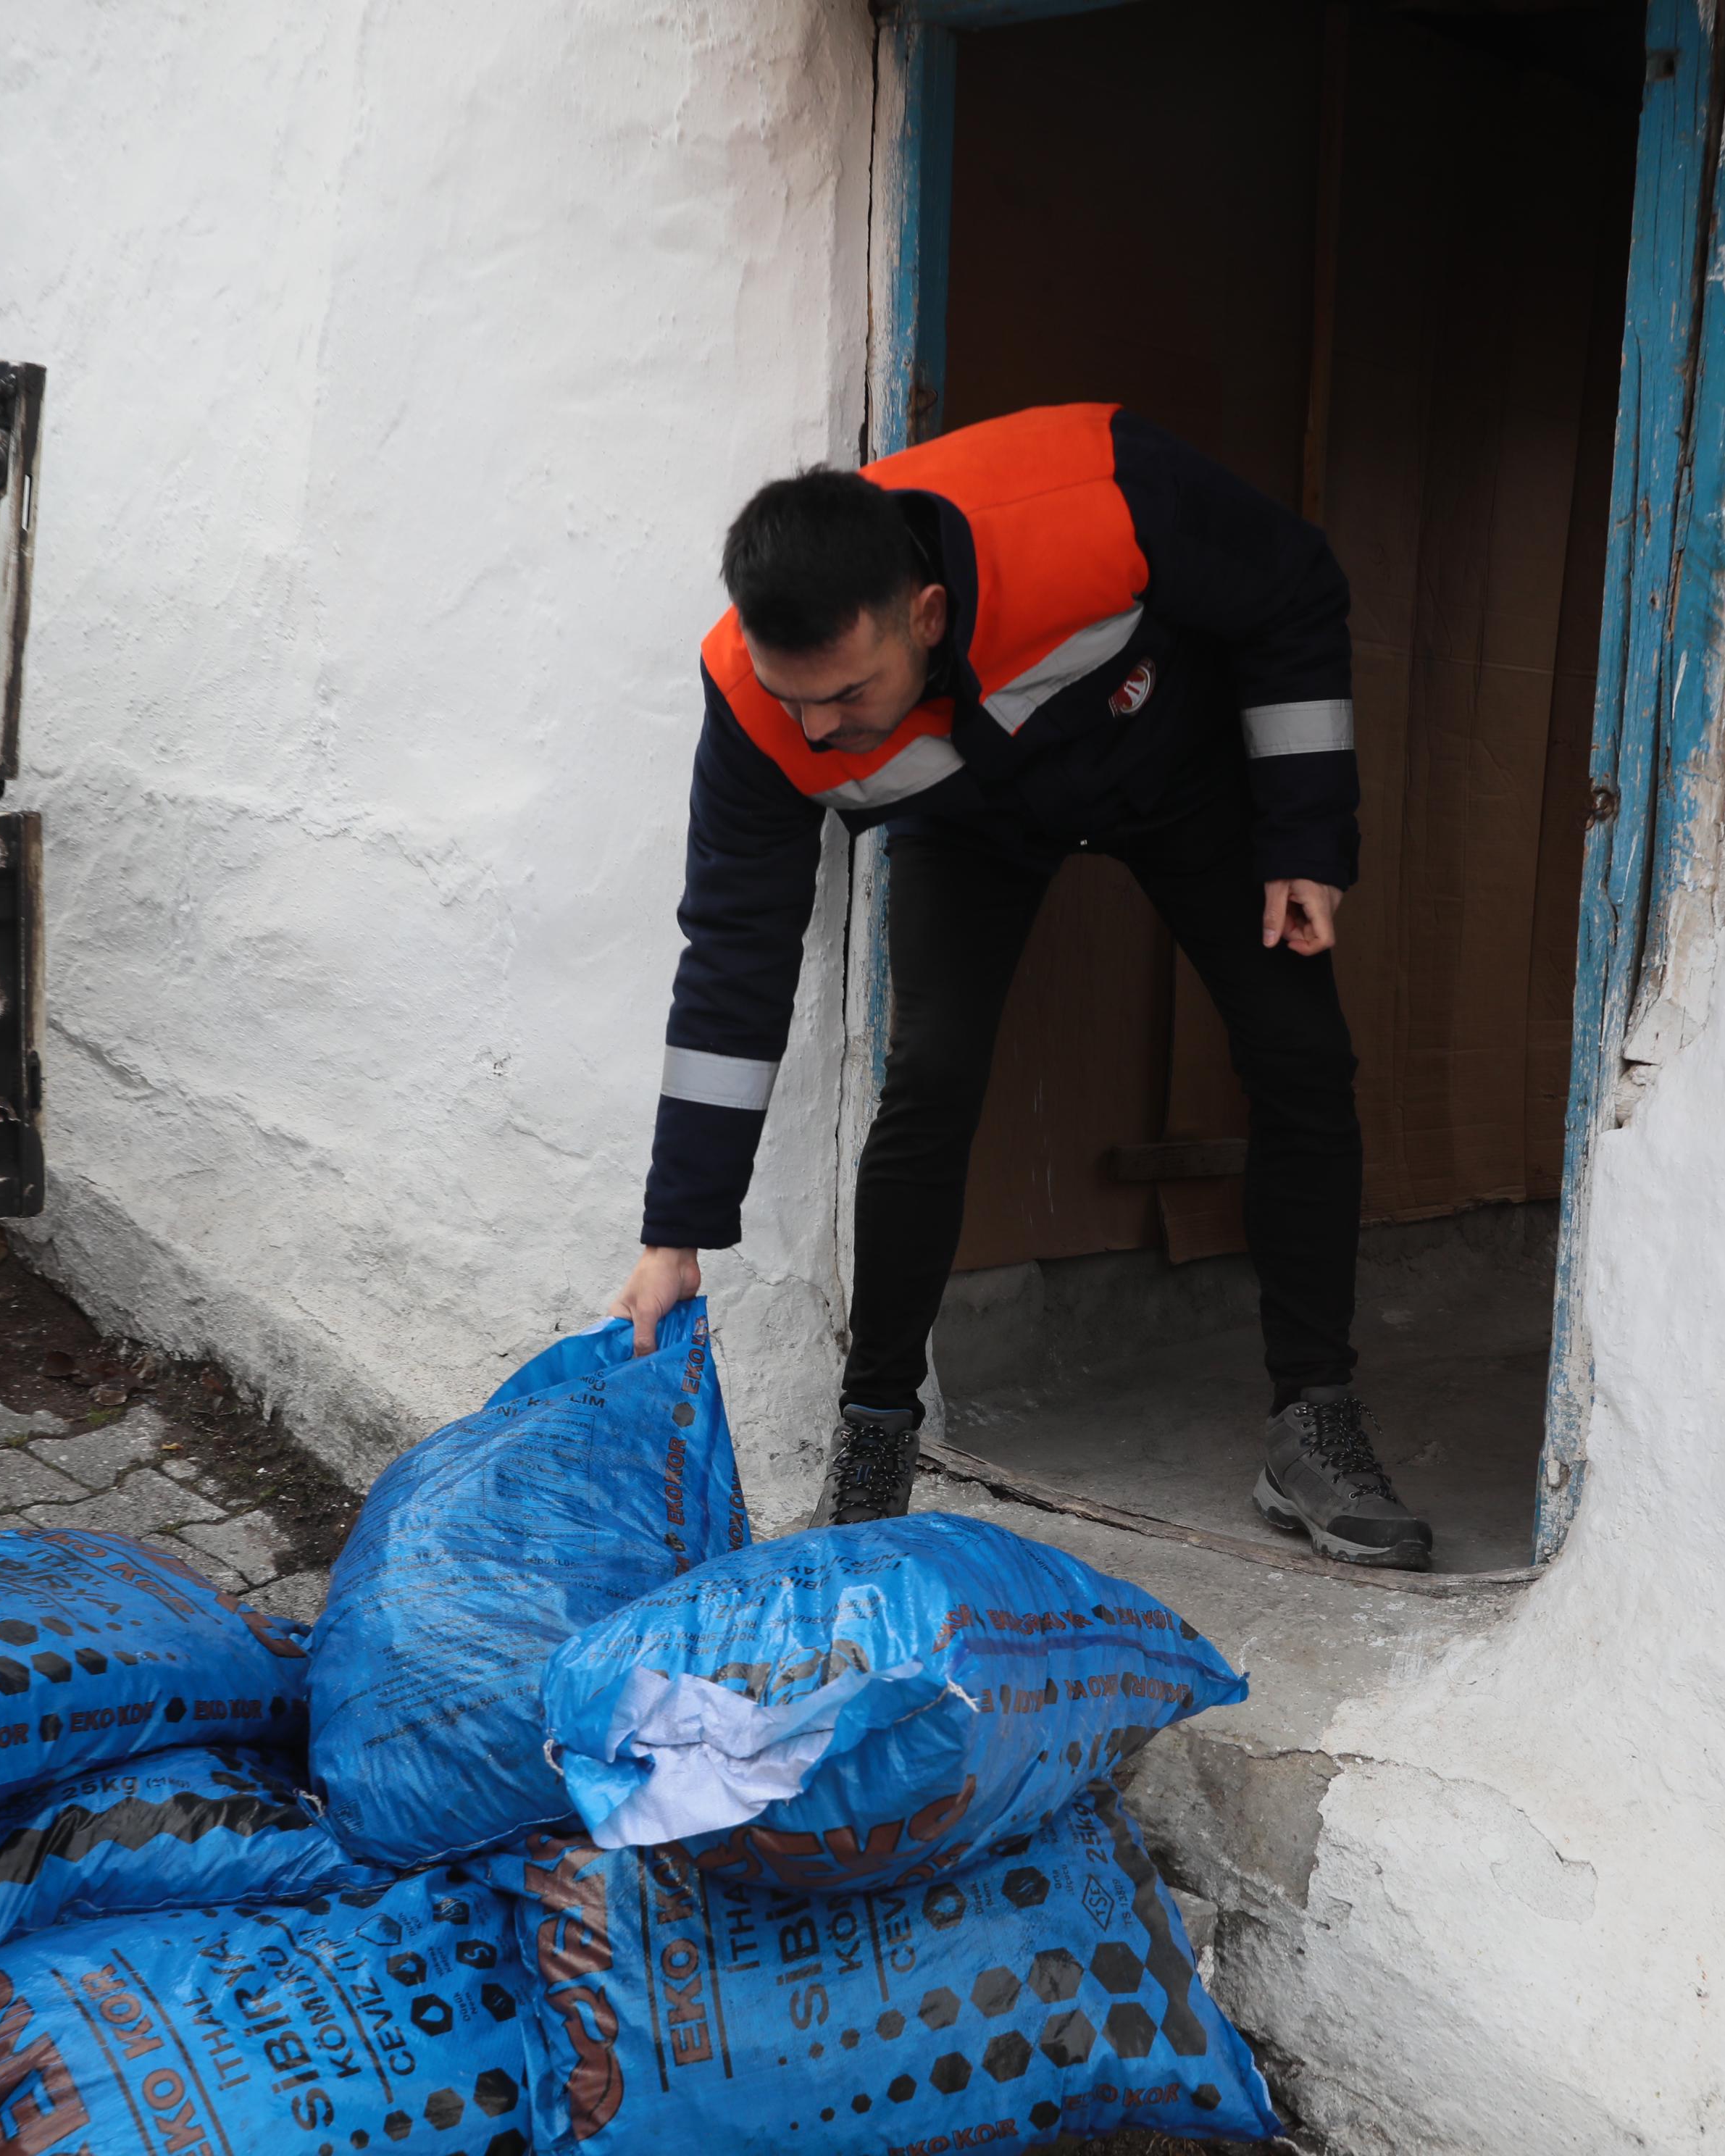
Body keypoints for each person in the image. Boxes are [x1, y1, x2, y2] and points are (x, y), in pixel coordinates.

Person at [607, 404, 1432, 1568]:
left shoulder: (1097, 495)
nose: (820, 730)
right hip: (972, 824)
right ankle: (877, 1439)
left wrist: (1304, 830)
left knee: (1302, 1055)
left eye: (847, 693)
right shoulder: (761, 705)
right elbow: (736, 953)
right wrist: (677, 1229)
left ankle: (1314, 1422)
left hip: (1175, 769)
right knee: (931, 1078)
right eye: (796, 699)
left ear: (926, 615)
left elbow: (1293, 586)